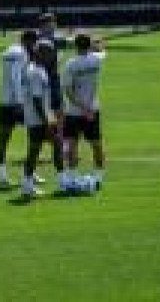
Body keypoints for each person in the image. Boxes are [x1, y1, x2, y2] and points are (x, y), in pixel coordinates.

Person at [59, 31, 107, 192]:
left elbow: (68, 92)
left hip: (74, 112)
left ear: (75, 46)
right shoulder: (97, 59)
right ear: (89, 45)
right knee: (97, 145)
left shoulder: (71, 64)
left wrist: (82, 108)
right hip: (92, 109)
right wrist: (97, 44)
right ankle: (99, 177)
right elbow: (102, 49)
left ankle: (72, 177)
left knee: (71, 145)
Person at [0, 29, 33, 186]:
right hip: (18, 103)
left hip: (4, 101)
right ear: (29, 41)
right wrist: (20, 102)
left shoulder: (9, 51)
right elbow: (16, 77)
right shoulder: (22, 53)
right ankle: (29, 172)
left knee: (4, 138)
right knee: (34, 135)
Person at [18, 39, 57, 198]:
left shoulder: (35, 68)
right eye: (49, 52)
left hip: (35, 118)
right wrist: (46, 120)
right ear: (40, 52)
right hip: (37, 119)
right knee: (37, 150)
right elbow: (36, 99)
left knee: (36, 150)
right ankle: (28, 185)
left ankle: (28, 182)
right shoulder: (36, 72)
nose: (51, 55)